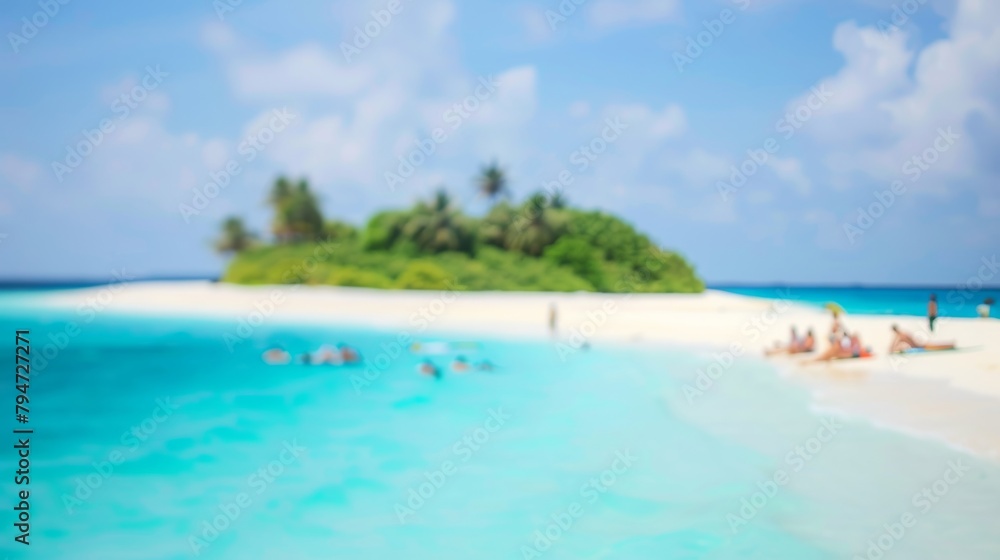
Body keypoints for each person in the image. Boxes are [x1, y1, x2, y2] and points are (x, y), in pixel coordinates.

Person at [889, 324, 955, 354]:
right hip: (919, 344)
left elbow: (894, 345)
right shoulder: (903, 333)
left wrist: (892, 350)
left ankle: (951, 345)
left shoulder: (900, 336)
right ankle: (950, 344)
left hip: (918, 346)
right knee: (935, 345)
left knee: (935, 346)